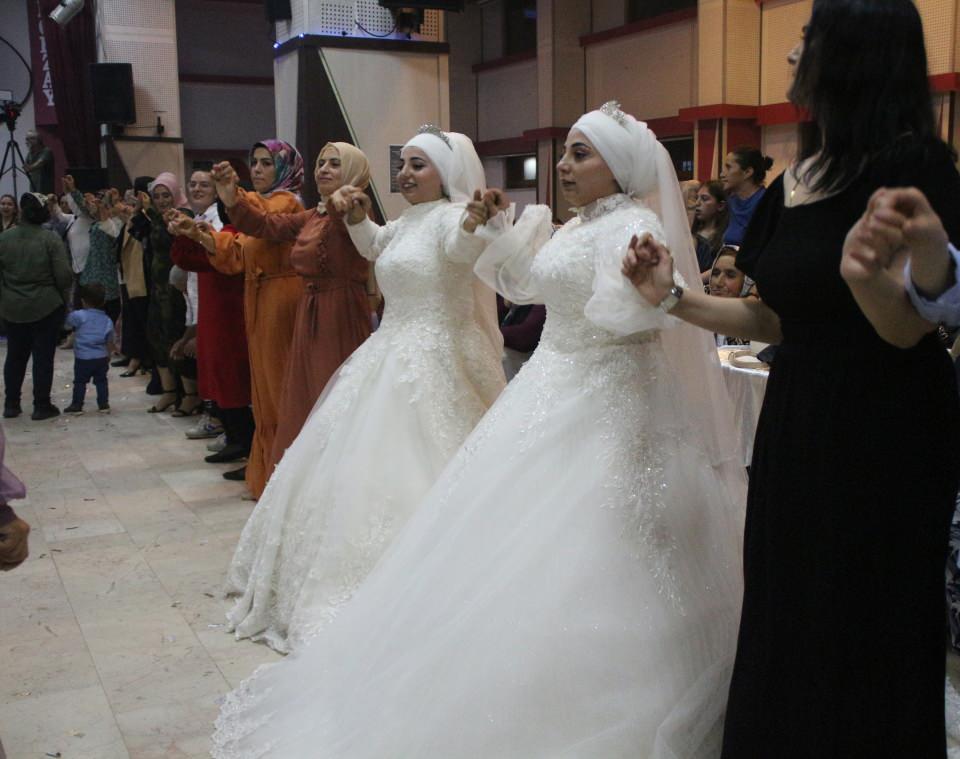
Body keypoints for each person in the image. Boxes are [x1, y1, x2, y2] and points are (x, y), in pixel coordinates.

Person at [211, 105, 746, 757]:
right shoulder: (582, 225)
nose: (563, 165)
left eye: (580, 154)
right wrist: (499, 230)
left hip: (607, 397)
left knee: (596, 540)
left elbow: (642, 314)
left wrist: (637, 288)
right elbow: (529, 283)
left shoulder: (635, 226)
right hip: (553, 383)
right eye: (565, 152)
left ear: (620, 166)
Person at [621, 2, 960, 753]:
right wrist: (672, 297)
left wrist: (869, 280)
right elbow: (774, 318)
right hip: (799, 411)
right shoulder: (798, 178)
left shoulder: (915, 168)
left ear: (851, 54)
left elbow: (908, 329)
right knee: (787, 600)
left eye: (807, 39)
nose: (791, 54)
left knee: (865, 613)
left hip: (885, 423)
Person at [211, 126, 506, 654]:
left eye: (418, 165)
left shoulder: (450, 219)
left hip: (438, 355)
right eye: (403, 164)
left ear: (446, 173)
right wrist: (356, 219)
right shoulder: (405, 222)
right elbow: (374, 247)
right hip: (388, 351)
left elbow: (461, 250)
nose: (405, 174)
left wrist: (474, 222)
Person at [205, 142, 374, 468]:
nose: (324, 169)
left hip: (339, 314)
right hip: (309, 312)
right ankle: (309, 476)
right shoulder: (313, 215)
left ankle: (338, 474)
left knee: (333, 397)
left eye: (335, 164)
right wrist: (231, 198)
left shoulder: (355, 210)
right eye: (321, 162)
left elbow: (358, 232)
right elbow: (267, 226)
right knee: (305, 398)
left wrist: (346, 205)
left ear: (354, 172)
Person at [172, 141, 304, 494]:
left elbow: (264, 222)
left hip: (281, 303)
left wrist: (234, 197)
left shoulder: (287, 203)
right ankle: (270, 470)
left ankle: (286, 477)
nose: (257, 169)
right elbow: (237, 254)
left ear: (285, 168)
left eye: (266, 163)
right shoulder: (260, 205)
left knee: (278, 391)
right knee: (263, 393)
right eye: (254, 162)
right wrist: (198, 234)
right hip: (260, 301)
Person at [170, 199, 254, 466]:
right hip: (216, 317)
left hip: (232, 319)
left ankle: (244, 443)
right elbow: (187, 259)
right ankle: (235, 439)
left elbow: (191, 258)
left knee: (232, 381)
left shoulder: (235, 238)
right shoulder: (219, 235)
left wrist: (190, 236)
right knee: (221, 377)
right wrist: (185, 234)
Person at [0, 193, 73, 420]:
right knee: (43, 357)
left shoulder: (4, 238)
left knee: (15, 355)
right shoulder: (49, 239)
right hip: (46, 305)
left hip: (13, 307)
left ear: (21, 211)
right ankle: (42, 405)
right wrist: (61, 298)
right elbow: (64, 276)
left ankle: (11, 404)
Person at [129, 172, 192, 413]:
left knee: (176, 337)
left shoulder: (182, 216)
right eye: (157, 196)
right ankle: (169, 391)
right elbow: (137, 233)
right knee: (156, 337)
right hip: (158, 288)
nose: (162, 200)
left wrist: (153, 213)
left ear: (175, 194)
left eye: (166, 195)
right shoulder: (155, 217)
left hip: (177, 289)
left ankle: (190, 394)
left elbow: (171, 236)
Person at [114, 177, 153, 376]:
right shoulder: (136, 214)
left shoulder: (148, 216)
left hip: (142, 274)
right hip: (129, 272)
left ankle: (140, 358)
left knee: (140, 318)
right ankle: (132, 354)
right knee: (131, 317)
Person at [63, 283, 115, 414]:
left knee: (80, 382)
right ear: (104, 301)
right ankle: (103, 404)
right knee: (101, 381)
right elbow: (109, 340)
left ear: (83, 301)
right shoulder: (107, 320)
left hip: (83, 357)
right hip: (101, 356)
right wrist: (108, 354)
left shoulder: (79, 316)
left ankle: (77, 405)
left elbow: (67, 324)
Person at [720, 146, 772, 246]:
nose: (722, 174)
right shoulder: (731, 201)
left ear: (747, 172)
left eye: (728, 167)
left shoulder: (767, 202)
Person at [692, 179, 729, 277]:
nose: (697, 203)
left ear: (720, 206)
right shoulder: (693, 233)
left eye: (704, 199)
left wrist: (698, 280)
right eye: (696, 198)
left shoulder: (727, 236)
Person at [23, 130, 54, 195]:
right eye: (26, 139)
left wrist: (29, 168)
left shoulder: (46, 151)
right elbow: (25, 168)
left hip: (45, 189)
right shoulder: (30, 154)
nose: (27, 142)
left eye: (29, 139)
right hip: (34, 187)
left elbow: (36, 165)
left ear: (37, 140)